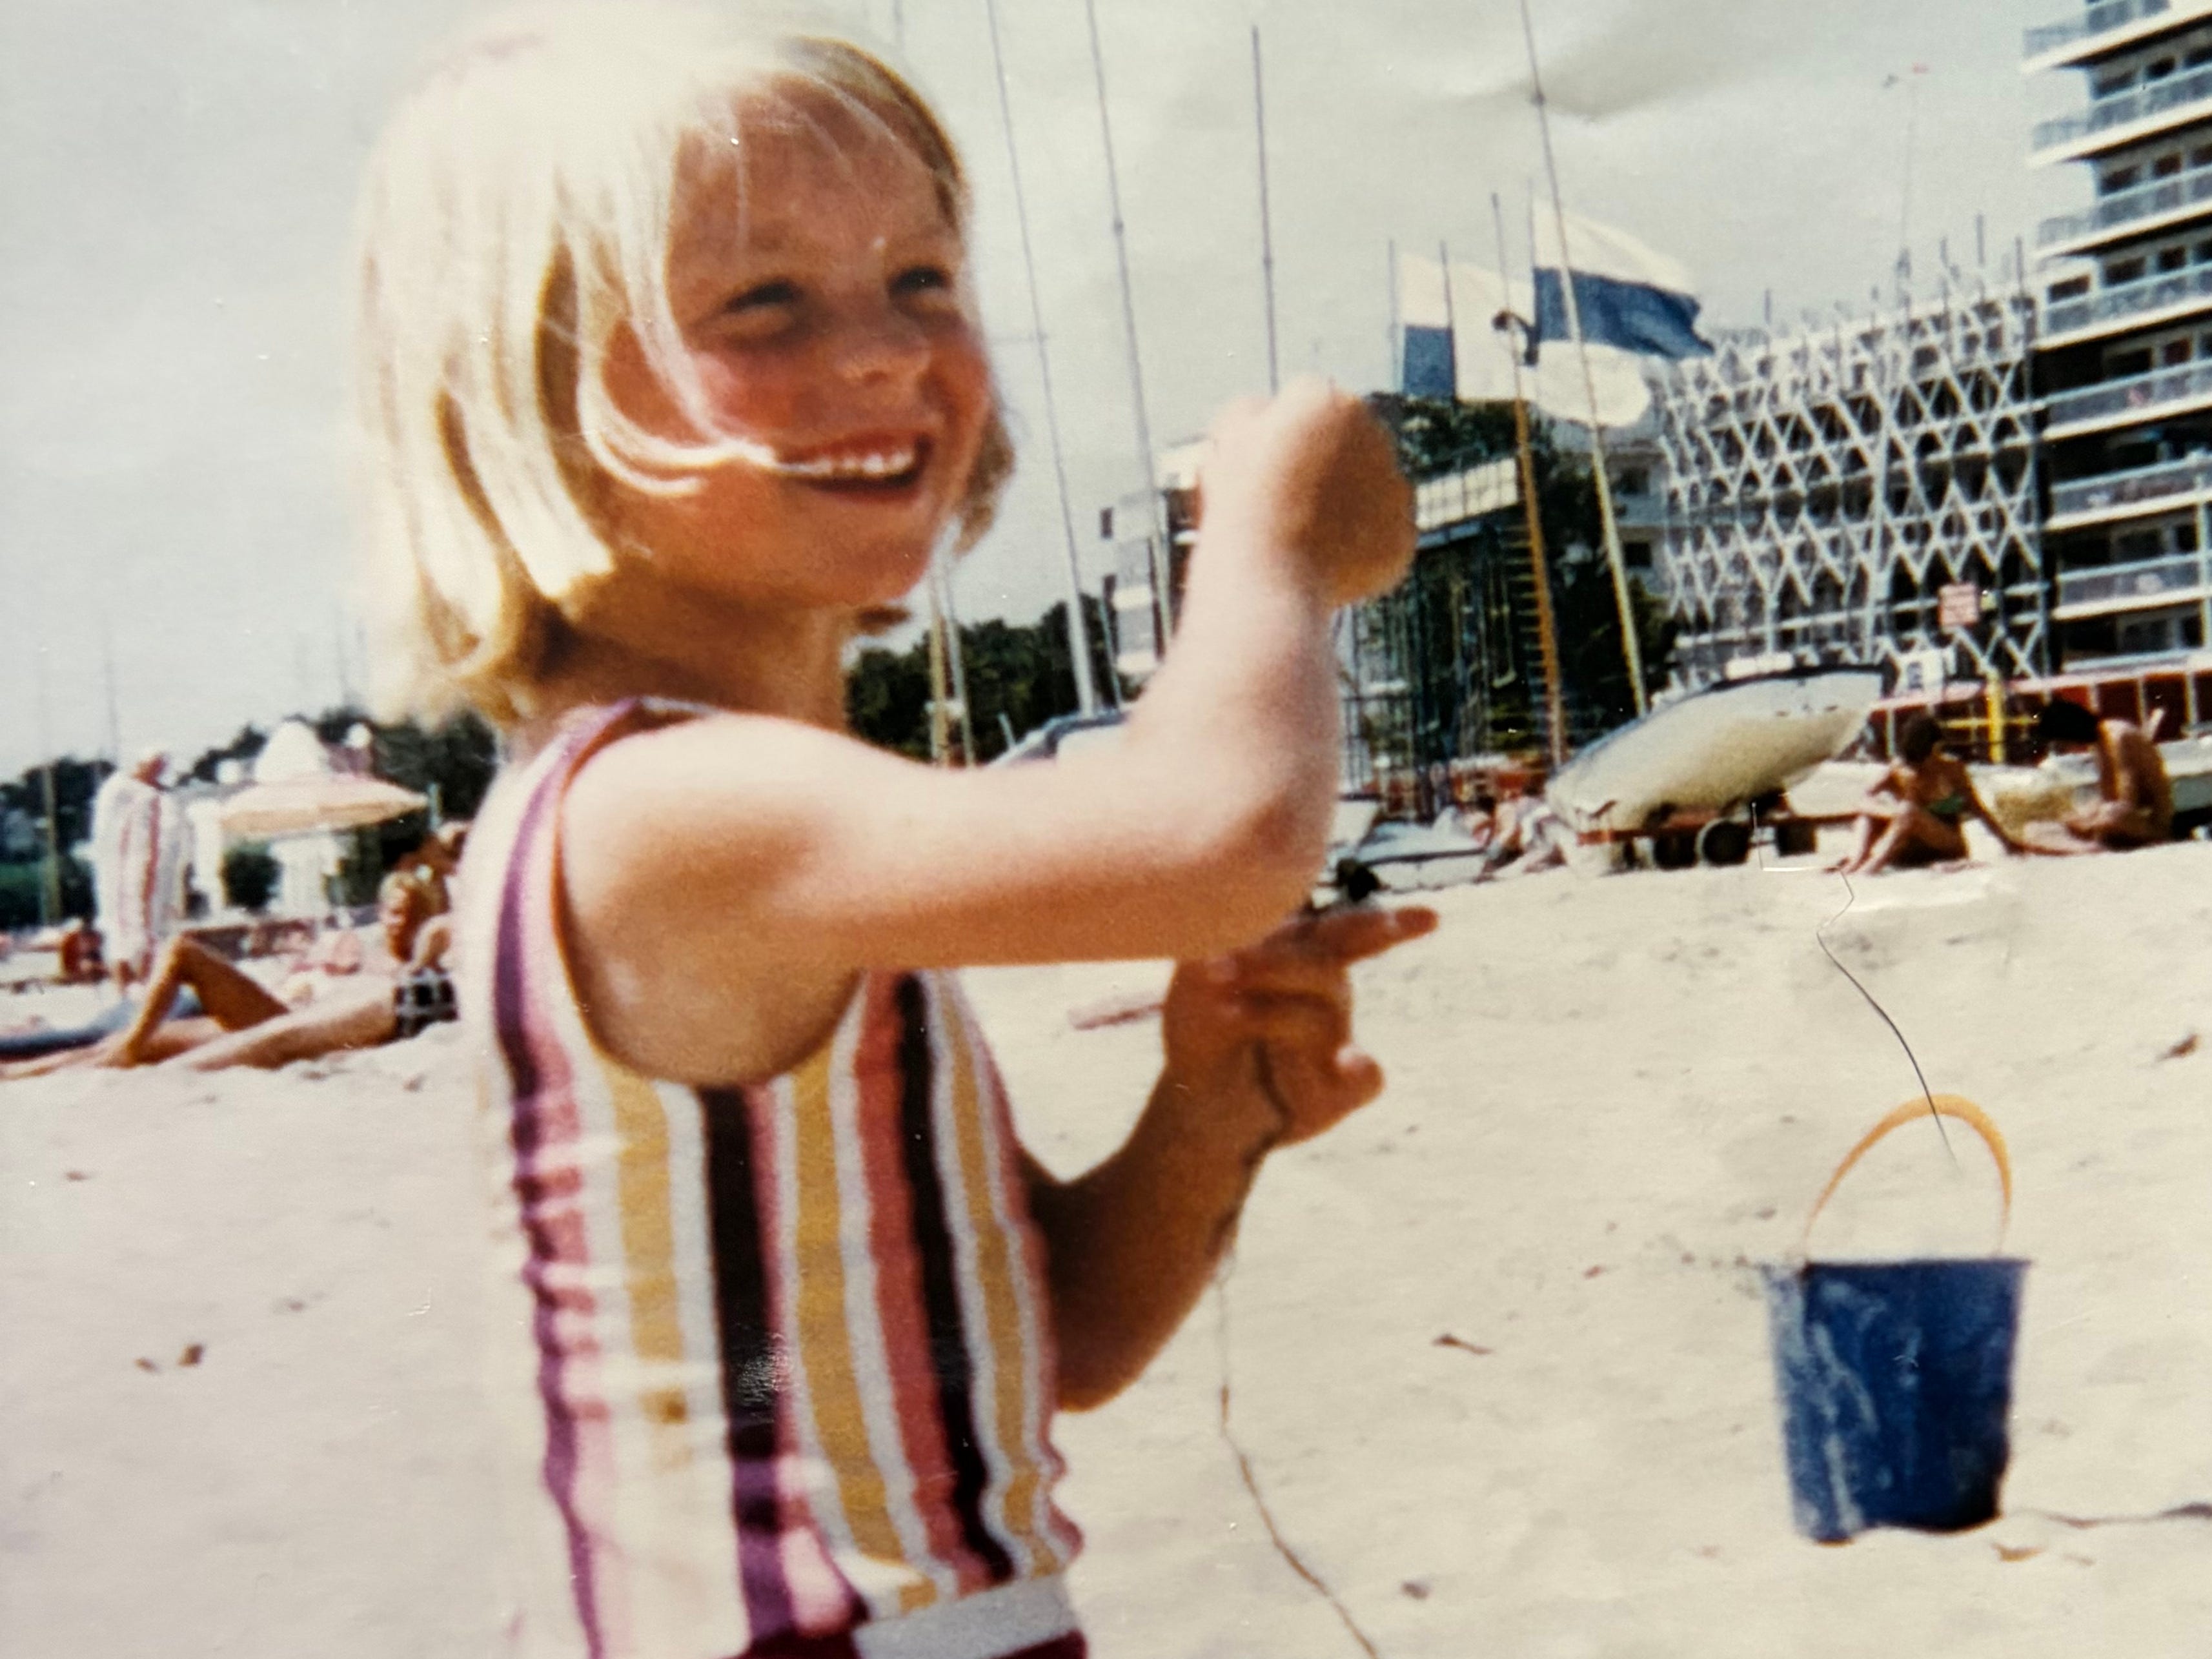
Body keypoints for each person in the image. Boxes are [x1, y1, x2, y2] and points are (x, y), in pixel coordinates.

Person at [353, 11, 1432, 1658]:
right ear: (537, 400)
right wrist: (1266, 530)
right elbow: (1223, 835)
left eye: (922, 279)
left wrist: (1202, 1115)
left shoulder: (773, 822)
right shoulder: (664, 812)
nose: (877, 352)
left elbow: (1046, 1331)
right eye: (762, 300)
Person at [1, 871, 455, 1078]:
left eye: (410, 912)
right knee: (129, 1046)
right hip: (279, 1014)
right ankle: (17, 1076)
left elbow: (435, 948)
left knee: (183, 954)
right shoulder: (357, 948)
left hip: (285, 1027)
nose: (400, 920)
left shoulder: (413, 970)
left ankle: (125, 1048)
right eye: (393, 911)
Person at [1829, 711, 2027, 875]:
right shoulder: (1899, 769)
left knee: (1908, 811)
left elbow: (1977, 808)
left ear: (1934, 750)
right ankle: (1855, 861)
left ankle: (1871, 867)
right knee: (1869, 816)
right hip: (1908, 844)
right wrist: (1891, 813)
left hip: (1945, 844)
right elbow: (1862, 800)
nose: (1915, 768)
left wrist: (2006, 843)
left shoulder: (1951, 770)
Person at [88, 747, 187, 989]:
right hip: (123, 874)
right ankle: (126, 989)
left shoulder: (161, 797)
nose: (159, 770)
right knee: (124, 934)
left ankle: (147, 985)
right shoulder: (121, 790)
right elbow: (109, 837)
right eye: (155, 765)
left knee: (150, 932)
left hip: (155, 876)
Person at [2025, 698, 2175, 853]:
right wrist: (2089, 816)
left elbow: (2128, 798)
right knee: (2084, 811)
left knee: (2110, 814)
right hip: (2132, 815)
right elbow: (2109, 791)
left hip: (2151, 819)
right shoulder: (2101, 740)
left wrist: (2093, 821)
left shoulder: (2118, 736)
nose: (2069, 746)